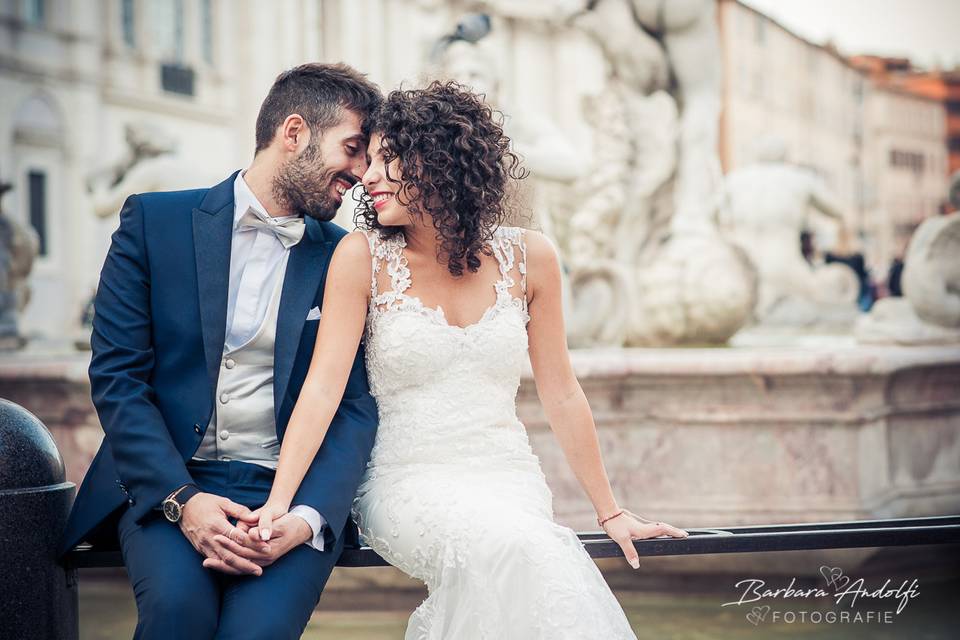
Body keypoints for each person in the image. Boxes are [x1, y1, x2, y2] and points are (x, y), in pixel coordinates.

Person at [253, 81, 688, 639]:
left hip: (507, 476)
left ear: (440, 163)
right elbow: (322, 389)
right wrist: (279, 502)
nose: (370, 175)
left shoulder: (531, 256)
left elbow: (561, 392)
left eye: (390, 159)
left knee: (530, 552)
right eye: (370, 159)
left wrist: (610, 511)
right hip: (403, 482)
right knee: (522, 551)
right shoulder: (361, 257)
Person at [58, 63, 382, 639]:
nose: (359, 174)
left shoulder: (346, 255)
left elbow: (354, 406)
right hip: (168, 481)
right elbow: (118, 377)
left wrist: (305, 520)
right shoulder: (153, 222)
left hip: (286, 496)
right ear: (295, 132)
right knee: (176, 617)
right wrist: (184, 501)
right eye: (352, 149)